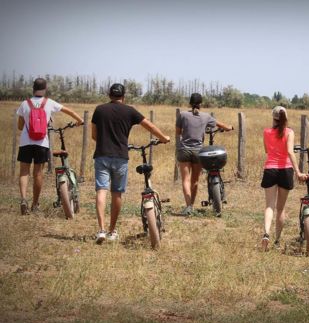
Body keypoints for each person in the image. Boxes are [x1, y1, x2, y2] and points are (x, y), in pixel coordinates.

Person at [91, 83, 170, 244]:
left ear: (109, 95)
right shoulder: (130, 110)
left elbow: (94, 135)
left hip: (102, 155)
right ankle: (112, 231)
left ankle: (101, 230)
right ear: (123, 96)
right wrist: (163, 138)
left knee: (101, 191)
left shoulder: (99, 110)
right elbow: (150, 126)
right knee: (117, 193)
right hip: (120, 157)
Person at [16, 78, 84, 215]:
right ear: (45, 89)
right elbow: (68, 110)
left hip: (25, 142)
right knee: (38, 173)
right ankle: (35, 204)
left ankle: (23, 199)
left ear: (33, 88)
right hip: (42, 143)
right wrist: (80, 120)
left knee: (24, 172)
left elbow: (19, 126)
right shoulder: (49, 103)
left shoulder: (25, 104)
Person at [260, 106, 309, 252]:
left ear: (273, 118)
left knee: (269, 206)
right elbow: (289, 152)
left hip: (270, 169)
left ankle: (266, 233)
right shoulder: (289, 132)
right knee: (280, 209)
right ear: (285, 118)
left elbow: (267, 151)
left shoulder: (266, 132)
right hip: (285, 171)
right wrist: (298, 172)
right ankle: (277, 240)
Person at [175, 93, 233, 216]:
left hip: (184, 150)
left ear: (190, 103)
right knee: (194, 181)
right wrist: (229, 127)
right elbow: (220, 125)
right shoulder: (206, 116)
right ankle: (192, 205)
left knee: (185, 179)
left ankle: (189, 206)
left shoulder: (183, 115)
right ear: (201, 104)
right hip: (198, 152)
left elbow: (178, 132)